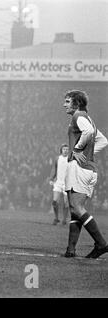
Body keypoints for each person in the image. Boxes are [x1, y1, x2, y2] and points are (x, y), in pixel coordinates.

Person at [62, 90, 108, 259]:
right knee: (75, 210)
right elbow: (103, 140)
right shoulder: (89, 118)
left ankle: (101, 244)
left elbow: (87, 132)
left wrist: (77, 150)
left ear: (77, 103)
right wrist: (89, 153)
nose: (64, 104)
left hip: (79, 168)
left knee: (76, 208)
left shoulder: (78, 116)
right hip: (89, 169)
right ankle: (70, 250)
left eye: (68, 101)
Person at [48, 144, 69, 225]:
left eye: (67, 149)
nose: (66, 150)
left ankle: (64, 219)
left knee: (66, 203)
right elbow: (54, 169)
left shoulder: (70, 159)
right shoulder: (57, 158)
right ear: (61, 150)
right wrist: (51, 178)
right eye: (64, 149)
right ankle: (56, 218)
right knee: (55, 201)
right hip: (58, 183)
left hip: (67, 184)